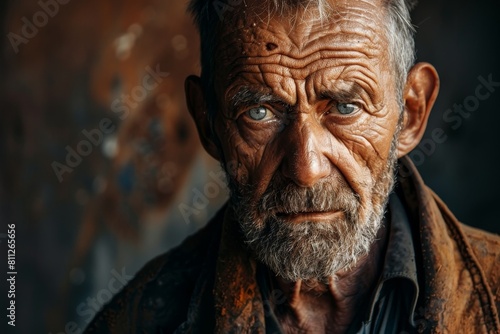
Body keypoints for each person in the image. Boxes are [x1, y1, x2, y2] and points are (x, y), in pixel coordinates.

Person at [85, 0, 500, 333]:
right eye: (260, 112)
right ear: (208, 124)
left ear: (410, 113)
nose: (306, 169)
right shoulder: (138, 321)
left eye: (344, 107)